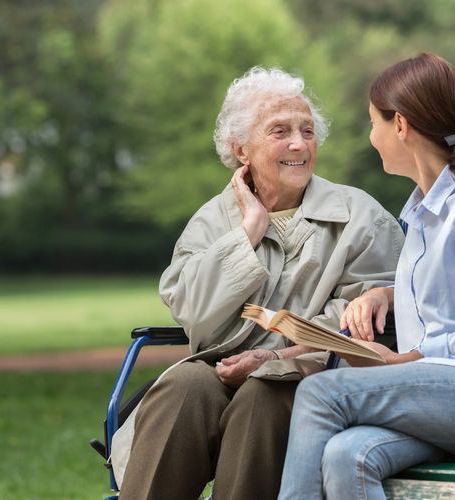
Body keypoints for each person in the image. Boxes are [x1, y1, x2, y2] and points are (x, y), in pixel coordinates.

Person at [278, 53, 455, 500]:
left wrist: (405, 359)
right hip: (452, 398)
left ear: (401, 125)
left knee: (322, 394)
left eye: (374, 122)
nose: (371, 136)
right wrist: (388, 295)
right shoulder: (424, 211)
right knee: (346, 455)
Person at [111, 66, 404, 500]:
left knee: (263, 398)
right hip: (220, 368)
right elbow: (192, 311)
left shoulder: (360, 215)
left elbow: (371, 316)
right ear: (241, 150)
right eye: (280, 131)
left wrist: (275, 357)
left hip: (311, 374)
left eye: (307, 131)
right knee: (181, 387)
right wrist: (248, 231)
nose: (298, 144)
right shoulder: (213, 220)